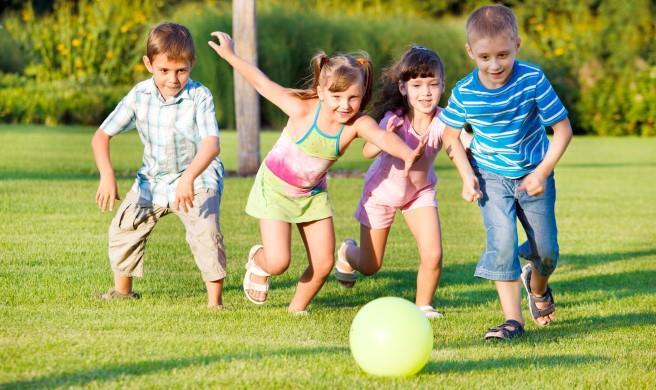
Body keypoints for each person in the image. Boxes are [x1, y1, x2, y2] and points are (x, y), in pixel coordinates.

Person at [208, 31, 424, 314]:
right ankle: (260, 262)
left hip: (312, 195)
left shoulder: (356, 125)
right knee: (279, 261)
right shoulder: (300, 109)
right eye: (336, 96)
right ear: (321, 92)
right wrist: (231, 56)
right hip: (274, 190)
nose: (345, 105)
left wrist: (408, 153)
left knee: (323, 264)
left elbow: (382, 137)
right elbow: (262, 83)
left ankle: (295, 310)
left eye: (353, 97)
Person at [439, 4, 573, 339]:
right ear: (471, 52)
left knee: (547, 252)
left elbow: (563, 129)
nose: (494, 65)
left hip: (533, 175)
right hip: (491, 177)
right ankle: (513, 321)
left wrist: (542, 172)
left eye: (503, 54)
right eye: (484, 57)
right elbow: (449, 135)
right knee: (501, 242)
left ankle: (537, 285)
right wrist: (467, 176)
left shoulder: (532, 80)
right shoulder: (465, 92)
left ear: (517, 45)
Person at [92, 23, 226, 309]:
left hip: (197, 177)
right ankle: (122, 292)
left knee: (206, 231)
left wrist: (189, 177)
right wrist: (107, 174)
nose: (173, 79)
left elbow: (212, 145)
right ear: (149, 64)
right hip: (152, 180)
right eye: (164, 70)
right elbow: (102, 136)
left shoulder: (200, 97)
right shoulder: (139, 95)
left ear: (192, 64)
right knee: (125, 227)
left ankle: (215, 303)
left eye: (182, 70)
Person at [334, 46, 472, 319]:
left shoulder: (444, 120)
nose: (426, 92)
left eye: (433, 84)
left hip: (419, 194)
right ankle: (347, 252)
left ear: (443, 85)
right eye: (417, 85)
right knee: (371, 265)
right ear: (403, 87)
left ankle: (423, 306)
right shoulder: (394, 119)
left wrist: (474, 167)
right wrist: (383, 135)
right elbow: (367, 152)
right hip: (381, 194)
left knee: (433, 254)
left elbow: (461, 143)